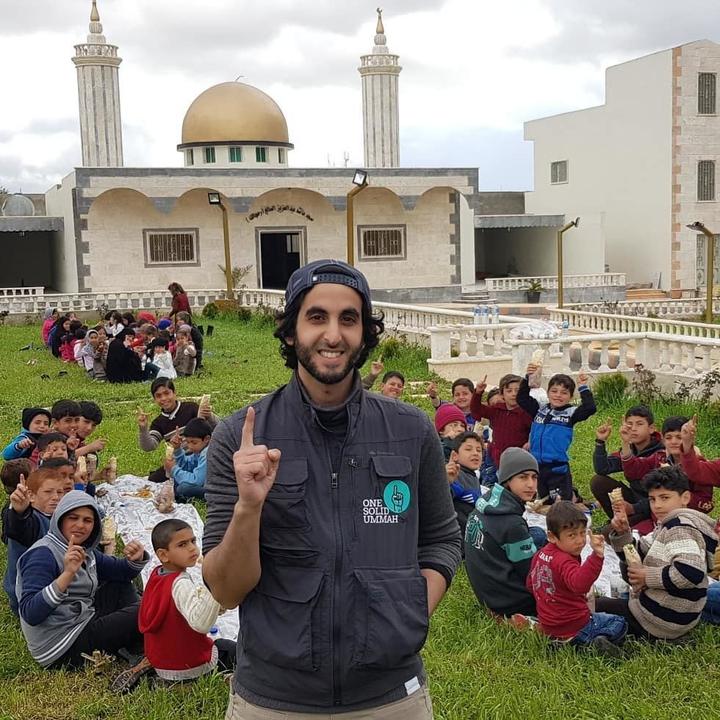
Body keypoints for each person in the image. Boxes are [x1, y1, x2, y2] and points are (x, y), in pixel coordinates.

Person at [202, 259, 461, 718]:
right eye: (316, 317)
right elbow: (225, 590)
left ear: (365, 333)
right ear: (290, 331)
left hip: (391, 696)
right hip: (273, 697)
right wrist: (248, 508)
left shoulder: (411, 429)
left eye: (349, 319)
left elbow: (441, 539)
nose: (333, 335)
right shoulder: (241, 438)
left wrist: (410, 610)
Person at [16, 491, 149, 669]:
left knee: (120, 586)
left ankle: (136, 639)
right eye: (73, 518)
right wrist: (68, 573)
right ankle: (141, 637)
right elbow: (30, 613)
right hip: (63, 644)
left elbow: (120, 572)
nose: (80, 525)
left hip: (82, 616)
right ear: (60, 519)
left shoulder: (85, 550)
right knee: (148, 607)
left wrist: (135, 558)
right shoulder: (42, 554)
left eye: (87, 520)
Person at [595, 466, 717, 640]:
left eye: (665, 498)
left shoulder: (680, 528)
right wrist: (623, 533)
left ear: (685, 498)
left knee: (591, 608)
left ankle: (608, 638)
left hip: (661, 617)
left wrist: (647, 576)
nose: (657, 505)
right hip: (673, 615)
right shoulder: (667, 524)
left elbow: (691, 573)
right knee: (609, 595)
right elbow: (636, 556)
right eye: (652, 499)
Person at [138, 519, 236, 684]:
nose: (192, 548)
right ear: (163, 554)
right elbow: (201, 623)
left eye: (193, 541)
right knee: (232, 649)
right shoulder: (180, 583)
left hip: (161, 660)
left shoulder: (158, 575)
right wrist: (213, 579)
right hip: (187, 667)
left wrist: (217, 605)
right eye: (182, 545)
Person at [528, 502, 626, 657]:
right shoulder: (564, 560)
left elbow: (530, 584)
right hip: (575, 623)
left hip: (549, 624)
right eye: (572, 535)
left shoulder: (540, 555)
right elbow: (579, 585)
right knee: (618, 622)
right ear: (552, 537)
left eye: (582, 533)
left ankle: (560, 642)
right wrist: (597, 556)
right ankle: (590, 644)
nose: (580, 540)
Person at [465, 447, 539, 621]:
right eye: (523, 477)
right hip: (510, 601)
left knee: (537, 534)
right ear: (507, 480)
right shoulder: (512, 524)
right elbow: (532, 575)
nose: (531, 484)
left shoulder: (483, 505)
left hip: (487, 594)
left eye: (534, 477)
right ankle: (528, 623)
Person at [517, 366, 596, 503]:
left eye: (564, 393)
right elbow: (522, 398)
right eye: (554, 391)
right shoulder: (540, 409)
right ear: (547, 393)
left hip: (557, 468)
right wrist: (528, 377)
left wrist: (583, 387)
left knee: (561, 504)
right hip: (537, 466)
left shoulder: (571, 414)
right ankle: (572, 496)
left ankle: (573, 498)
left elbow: (590, 408)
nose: (558, 395)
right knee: (544, 501)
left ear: (571, 396)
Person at [619, 416, 714, 515]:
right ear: (663, 440)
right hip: (656, 516)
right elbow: (633, 471)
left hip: (686, 519)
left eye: (679, 437)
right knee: (616, 528)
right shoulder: (660, 457)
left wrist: (673, 481)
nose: (673, 442)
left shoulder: (700, 465)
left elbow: (706, 505)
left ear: (688, 438)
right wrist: (625, 443)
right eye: (668, 437)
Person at [591, 405, 663, 532]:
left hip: (654, 506)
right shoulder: (629, 449)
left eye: (639, 424)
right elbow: (602, 469)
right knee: (598, 481)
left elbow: (664, 494)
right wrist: (600, 442)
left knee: (608, 534)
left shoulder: (660, 453)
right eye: (629, 424)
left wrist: (634, 508)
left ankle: (621, 525)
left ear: (651, 428)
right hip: (634, 498)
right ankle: (616, 519)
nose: (633, 429)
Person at [4, 467, 66, 614]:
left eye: (59, 492)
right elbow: (18, 529)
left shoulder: (55, 517)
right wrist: (19, 512)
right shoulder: (33, 519)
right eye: (48, 492)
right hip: (28, 599)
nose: (56, 497)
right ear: (31, 496)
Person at [137, 378, 217, 483]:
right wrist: (143, 428)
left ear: (174, 393)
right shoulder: (159, 422)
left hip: (202, 456)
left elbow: (219, 428)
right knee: (154, 479)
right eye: (158, 396)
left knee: (185, 484)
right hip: (180, 458)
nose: (164, 398)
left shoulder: (191, 408)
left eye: (167, 393)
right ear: (154, 399)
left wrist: (209, 416)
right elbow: (149, 447)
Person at [470, 373, 532, 476]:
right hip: (499, 461)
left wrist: (529, 442)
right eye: (509, 391)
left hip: (519, 461)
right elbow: (477, 410)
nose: (513, 394)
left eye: (517, 390)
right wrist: (478, 392)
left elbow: (535, 430)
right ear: (502, 394)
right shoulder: (497, 410)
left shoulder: (526, 413)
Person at [445, 431, 484, 537]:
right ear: (454, 456)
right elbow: (441, 499)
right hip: (456, 539)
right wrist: (446, 481)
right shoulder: (455, 474)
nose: (475, 453)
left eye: (479, 450)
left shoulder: (473, 477)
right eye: (468, 449)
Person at [164, 418, 211, 501]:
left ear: (206, 439)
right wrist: (177, 449)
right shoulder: (200, 450)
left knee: (183, 488)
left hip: (215, 490)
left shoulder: (208, 453)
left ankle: (182, 498)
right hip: (203, 484)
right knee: (178, 481)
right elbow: (187, 466)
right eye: (188, 442)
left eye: (194, 442)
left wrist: (174, 469)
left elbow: (197, 481)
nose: (190, 446)